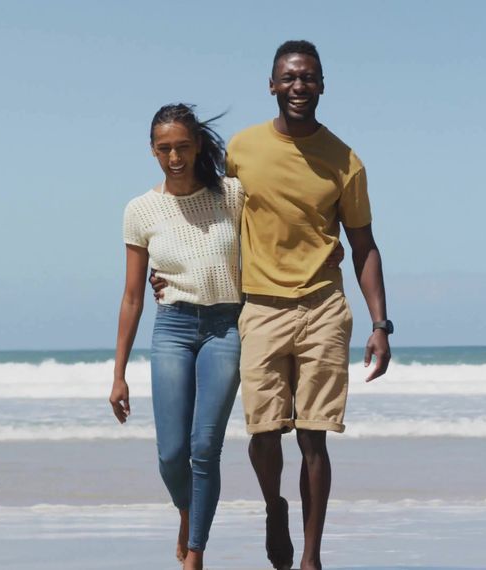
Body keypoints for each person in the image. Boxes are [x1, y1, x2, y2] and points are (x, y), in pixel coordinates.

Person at [152, 40, 392, 570]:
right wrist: (168, 266)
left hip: (324, 306)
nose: (299, 86)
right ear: (272, 85)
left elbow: (364, 245)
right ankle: (274, 507)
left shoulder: (345, 162)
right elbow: (196, 205)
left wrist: (380, 322)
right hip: (258, 308)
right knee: (262, 436)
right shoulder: (241, 150)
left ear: (323, 85)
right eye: (289, 77)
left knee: (314, 438)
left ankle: (311, 557)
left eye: (308, 77)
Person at [110, 103, 344, 570]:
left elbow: (281, 225)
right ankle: (186, 513)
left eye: (182, 146)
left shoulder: (232, 195)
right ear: (152, 151)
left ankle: (195, 552)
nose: (174, 157)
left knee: (204, 446)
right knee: (172, 454)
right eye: (164, 149)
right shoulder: (140, 210)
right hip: (173, 328)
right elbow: (133, 295)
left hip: (226, 327)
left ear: (198, 145)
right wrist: (117, 375)